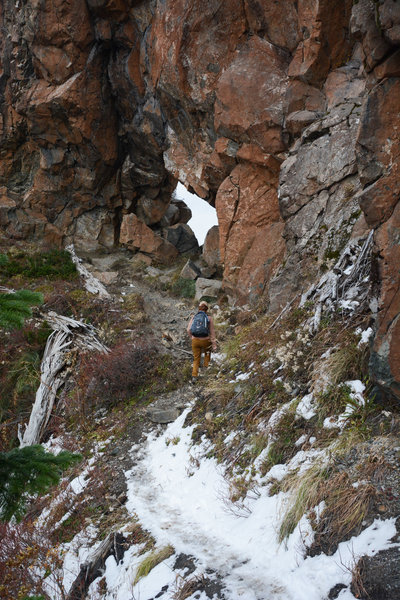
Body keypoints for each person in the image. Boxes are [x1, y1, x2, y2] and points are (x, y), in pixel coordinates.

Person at [187, 301, 217, 382]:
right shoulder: (209, 318)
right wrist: (214, 344)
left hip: (195, 341)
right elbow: (212, 332)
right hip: (206, 340)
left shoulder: (194, 317)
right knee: (207, 354)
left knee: (196, 358)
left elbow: (188, 330)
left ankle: (194, 376)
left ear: (199, 308)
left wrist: (192, 338)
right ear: (206, 309)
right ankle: (206, 372)